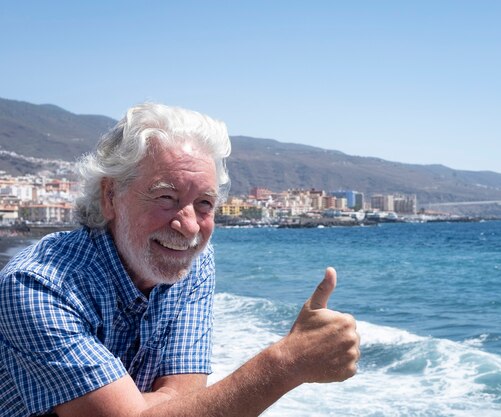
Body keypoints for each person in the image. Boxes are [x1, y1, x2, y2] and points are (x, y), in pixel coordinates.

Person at [0, 103, 360, 417]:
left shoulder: (192, 261)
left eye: (204, 203)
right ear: (110, 196)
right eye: (166, 198)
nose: (188, 226)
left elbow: (187, 397)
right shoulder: (37, 287)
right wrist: (286, 363)